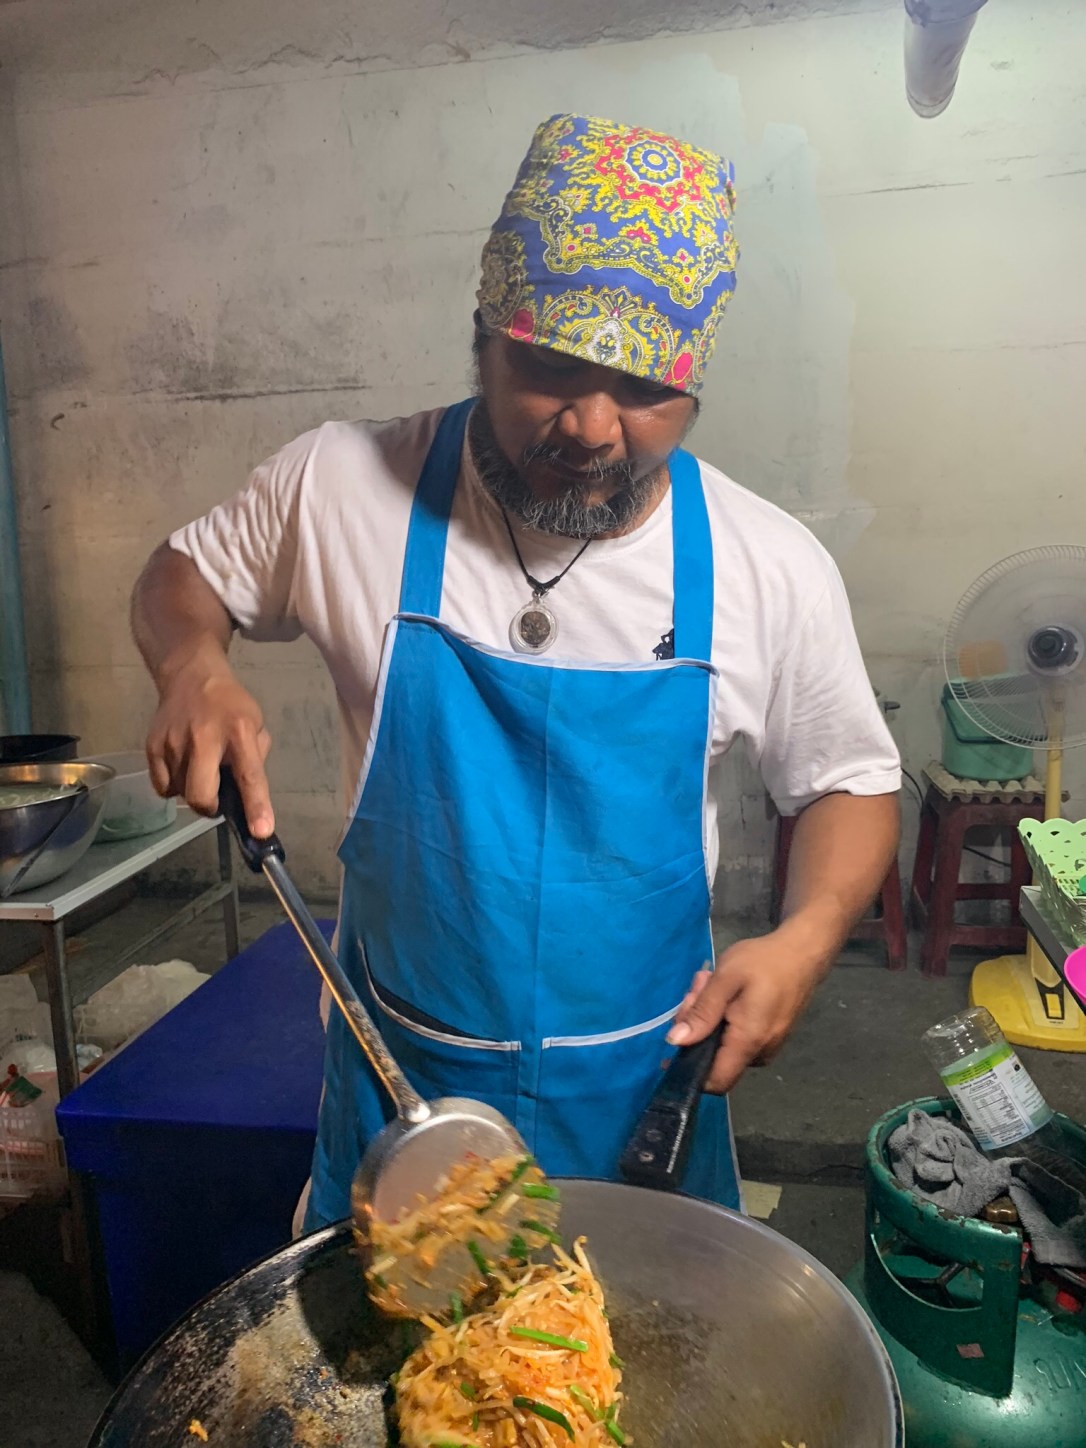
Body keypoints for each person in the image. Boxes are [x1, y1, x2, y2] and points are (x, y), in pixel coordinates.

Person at [131, 113, 901, 1229]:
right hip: (402, 1088)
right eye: (549, 368)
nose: (591, 426)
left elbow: (847, 780)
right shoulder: (343, 485)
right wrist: (191, 661)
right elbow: (183, 574)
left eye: (644, 388)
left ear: (695, 386)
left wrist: (805, 937)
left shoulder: (764, 562)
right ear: (484, 338)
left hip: (644, 1092)